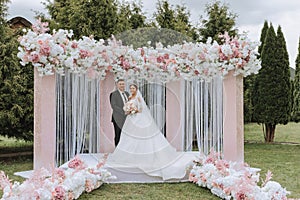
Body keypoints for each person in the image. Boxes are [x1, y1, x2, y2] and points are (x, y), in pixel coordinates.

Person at [107, 84, 191, 180]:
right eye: (130, 88)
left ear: (136, 89)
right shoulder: (129, 96)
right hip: (130, 119)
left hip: (138, 118)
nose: (132, 90)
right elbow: (125, 107)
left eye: (133, 88)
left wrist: (134, 110)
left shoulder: (138, 97)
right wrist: (128, 110)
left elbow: (141, 108)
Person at [109, 79, 129, 146]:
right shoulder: (113, 94)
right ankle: (117, 151)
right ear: (117, 85)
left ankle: (124, 149)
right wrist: (124, 112)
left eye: (123, 84)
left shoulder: (127, 93)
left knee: (126, 135)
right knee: (118, 134)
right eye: (120, 84)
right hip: (117, 118)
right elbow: (114, 106)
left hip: (127, 118)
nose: (122, 85)